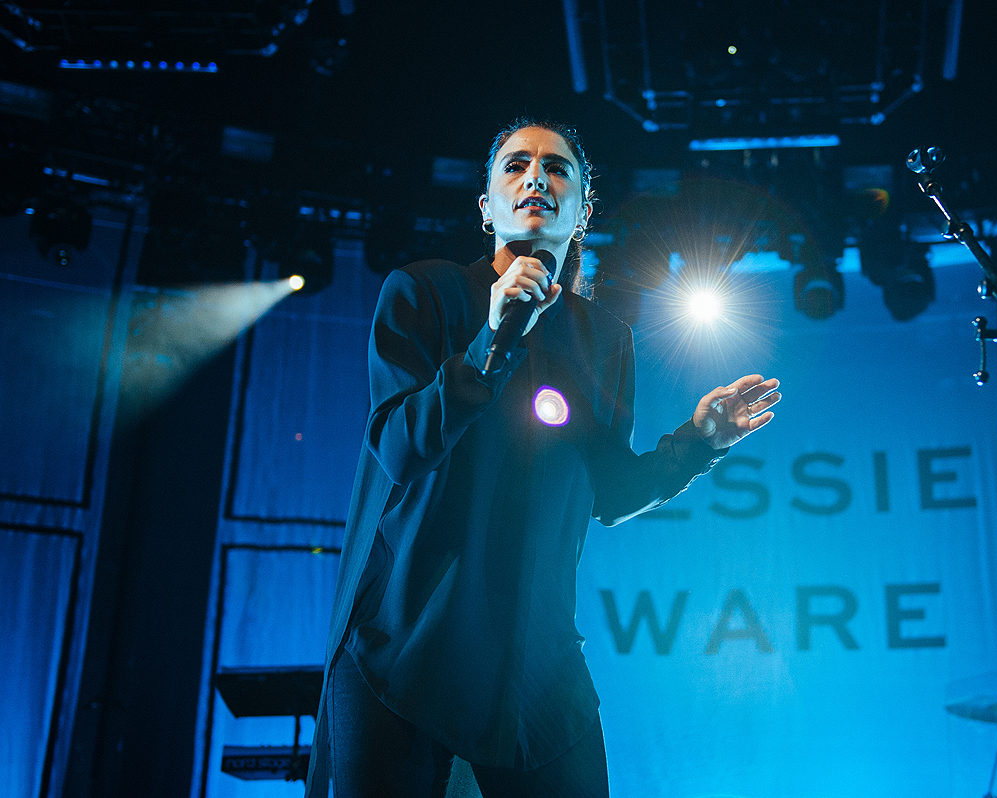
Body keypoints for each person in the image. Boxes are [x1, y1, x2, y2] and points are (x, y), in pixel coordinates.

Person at [305, 118, 781, 797]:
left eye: (557, 167)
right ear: (486, 208)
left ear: (583, 210)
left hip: (536, 662)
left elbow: (611, 493)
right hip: (402, 649)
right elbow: (398, 450)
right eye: (515, 166)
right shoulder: (423, 292)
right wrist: (490, 341)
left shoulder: (603, 338)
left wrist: (697, 440)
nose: (536, 176)